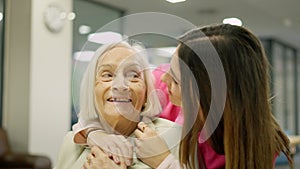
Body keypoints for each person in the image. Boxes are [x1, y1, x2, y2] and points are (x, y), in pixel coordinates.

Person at [83, 24, 294, 169]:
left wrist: (164, 162)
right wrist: (97, 134)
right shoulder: (162, 89)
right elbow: (98, 111)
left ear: (206, 93)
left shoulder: (255, 146)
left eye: (175, 79)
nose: (163, 79)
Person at [55, 41, 181, 169]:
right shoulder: (72, 141)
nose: (120, 86)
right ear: (92, 90)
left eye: (133, 75)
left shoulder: (174, 137)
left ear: (147, 92)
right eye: (107, 75)